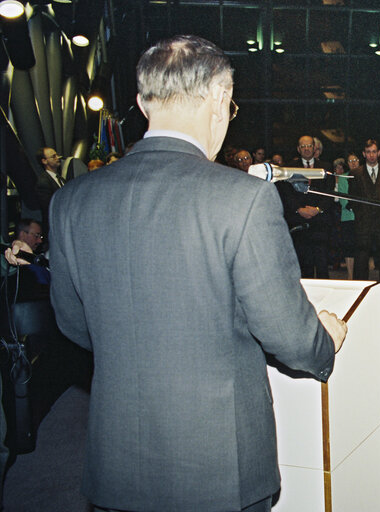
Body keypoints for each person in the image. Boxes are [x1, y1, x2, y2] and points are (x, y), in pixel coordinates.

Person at [19, 35, 347, 512]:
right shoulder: (243, 198)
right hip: (218, 468)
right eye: (231, 107)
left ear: (142, 102)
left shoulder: (71, 200)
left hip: (118, 461)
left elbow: (73, 324)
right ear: (218, 97)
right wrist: (325, 338)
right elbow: (288, 334)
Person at [277, 135, 335, 279]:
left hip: (320, 221)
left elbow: (329, 193)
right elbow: (286, 193)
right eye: (303, 146)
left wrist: (317, 209)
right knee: (304, 264)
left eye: (309, 146)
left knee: (322, 264)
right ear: (298, 149)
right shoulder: (289, 167)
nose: (306, 149)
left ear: (315, 148)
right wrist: (299, 209)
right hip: (299, 221)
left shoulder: (325, 167)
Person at [348, 139, 380, 300]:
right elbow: (353, 199)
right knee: (361, 258)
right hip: (363, 223)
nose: (371, 155)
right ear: (364, 154)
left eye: (374, 151)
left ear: (379, 153)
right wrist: (361, 216)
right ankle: (360, 291)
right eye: (368, 152)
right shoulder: (355, 173)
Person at [333, 157, 355, 280]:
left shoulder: (363, 176)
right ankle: (350, 275)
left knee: (361, 247)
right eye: (351, 161)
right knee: (349, 247)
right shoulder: (343, 177)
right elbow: (342, 197)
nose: (354, 163)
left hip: (363, 217)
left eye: (356, 160)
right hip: (348, 216)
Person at [34, 147, 65, 234]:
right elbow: (49, 208)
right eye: (53, 156)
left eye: (57, 155)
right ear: (44, 161)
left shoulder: (61, 179)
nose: (58, 157)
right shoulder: (43, 182)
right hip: (54, 229)